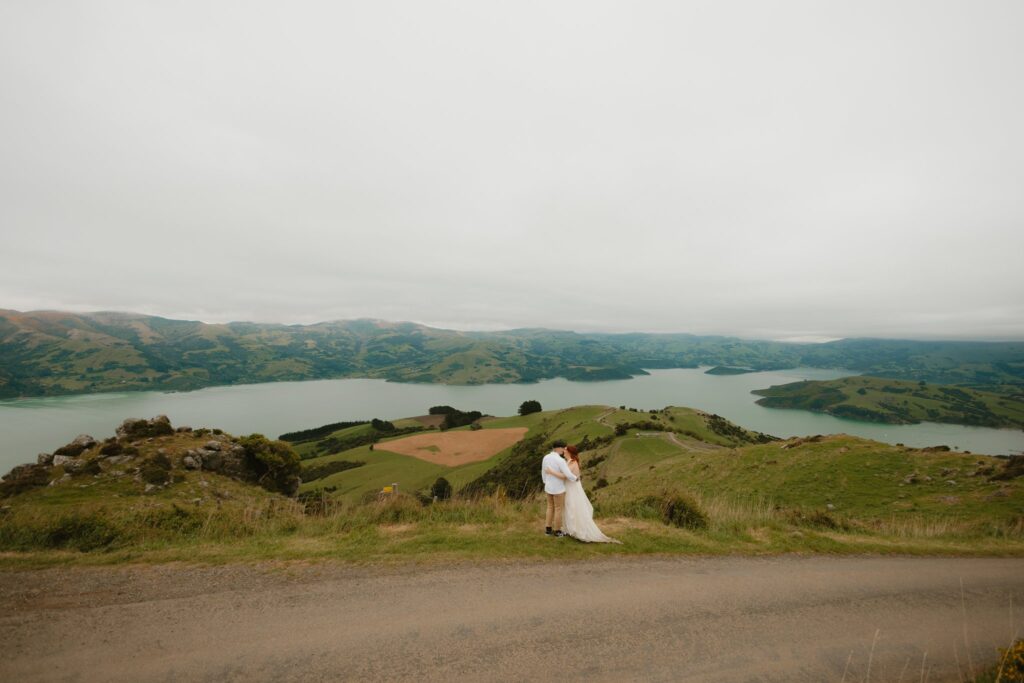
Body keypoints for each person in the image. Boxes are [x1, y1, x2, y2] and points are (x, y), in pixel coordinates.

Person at [546, 445, 620, 543]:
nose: (563, 450)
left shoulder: (573, 462)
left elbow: (565, 476)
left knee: (573, 508)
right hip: (567, 488)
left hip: (572, 489)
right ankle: (570, 529)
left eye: (565, 449)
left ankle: (578, 531)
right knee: (568, 508)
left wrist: (551, 472)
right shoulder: (567, 461)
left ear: (569, 452)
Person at [541, 440, 578, 537]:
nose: (564, 450)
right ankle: (557, 531)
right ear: (558, 448)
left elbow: (543, 472)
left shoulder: (546, 457)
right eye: (563, 448)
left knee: (549, 507)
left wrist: (545, 482)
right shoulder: (560, 460)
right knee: (558, 509)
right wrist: (575, 478)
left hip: (548, 487)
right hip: (558, 488)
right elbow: (567, 474)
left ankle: (548, 530)